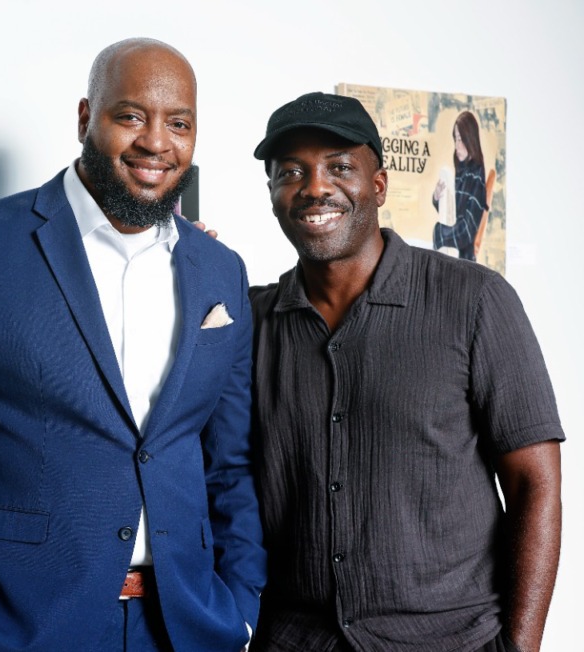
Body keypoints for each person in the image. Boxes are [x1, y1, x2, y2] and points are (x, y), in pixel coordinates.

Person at [0, 38, 266, 652]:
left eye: (178, 124)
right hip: (24, 626)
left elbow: (229, 466)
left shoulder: (221, 270)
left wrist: (239, 610)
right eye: (130, 116)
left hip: (187, 626)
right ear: (86, 118)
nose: (157, 142)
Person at [248, 92, 563, 652]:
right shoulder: (248, 320)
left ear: (380, 186)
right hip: (296, 640)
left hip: (452, 641)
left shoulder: (475, 300)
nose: (315, 186)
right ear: (272, 195)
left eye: (340, 167)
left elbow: (534, 485)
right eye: (291, 172)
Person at [431, 111, 487, 261]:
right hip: (454, 254)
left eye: (460, 139)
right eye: (455, 139)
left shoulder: (475, 177)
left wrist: (440, 232)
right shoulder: (463, 172)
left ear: (470, 139)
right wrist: (438, 197)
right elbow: (452, 211)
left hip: (462, 260)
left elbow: (467, 231)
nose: (456, 145)